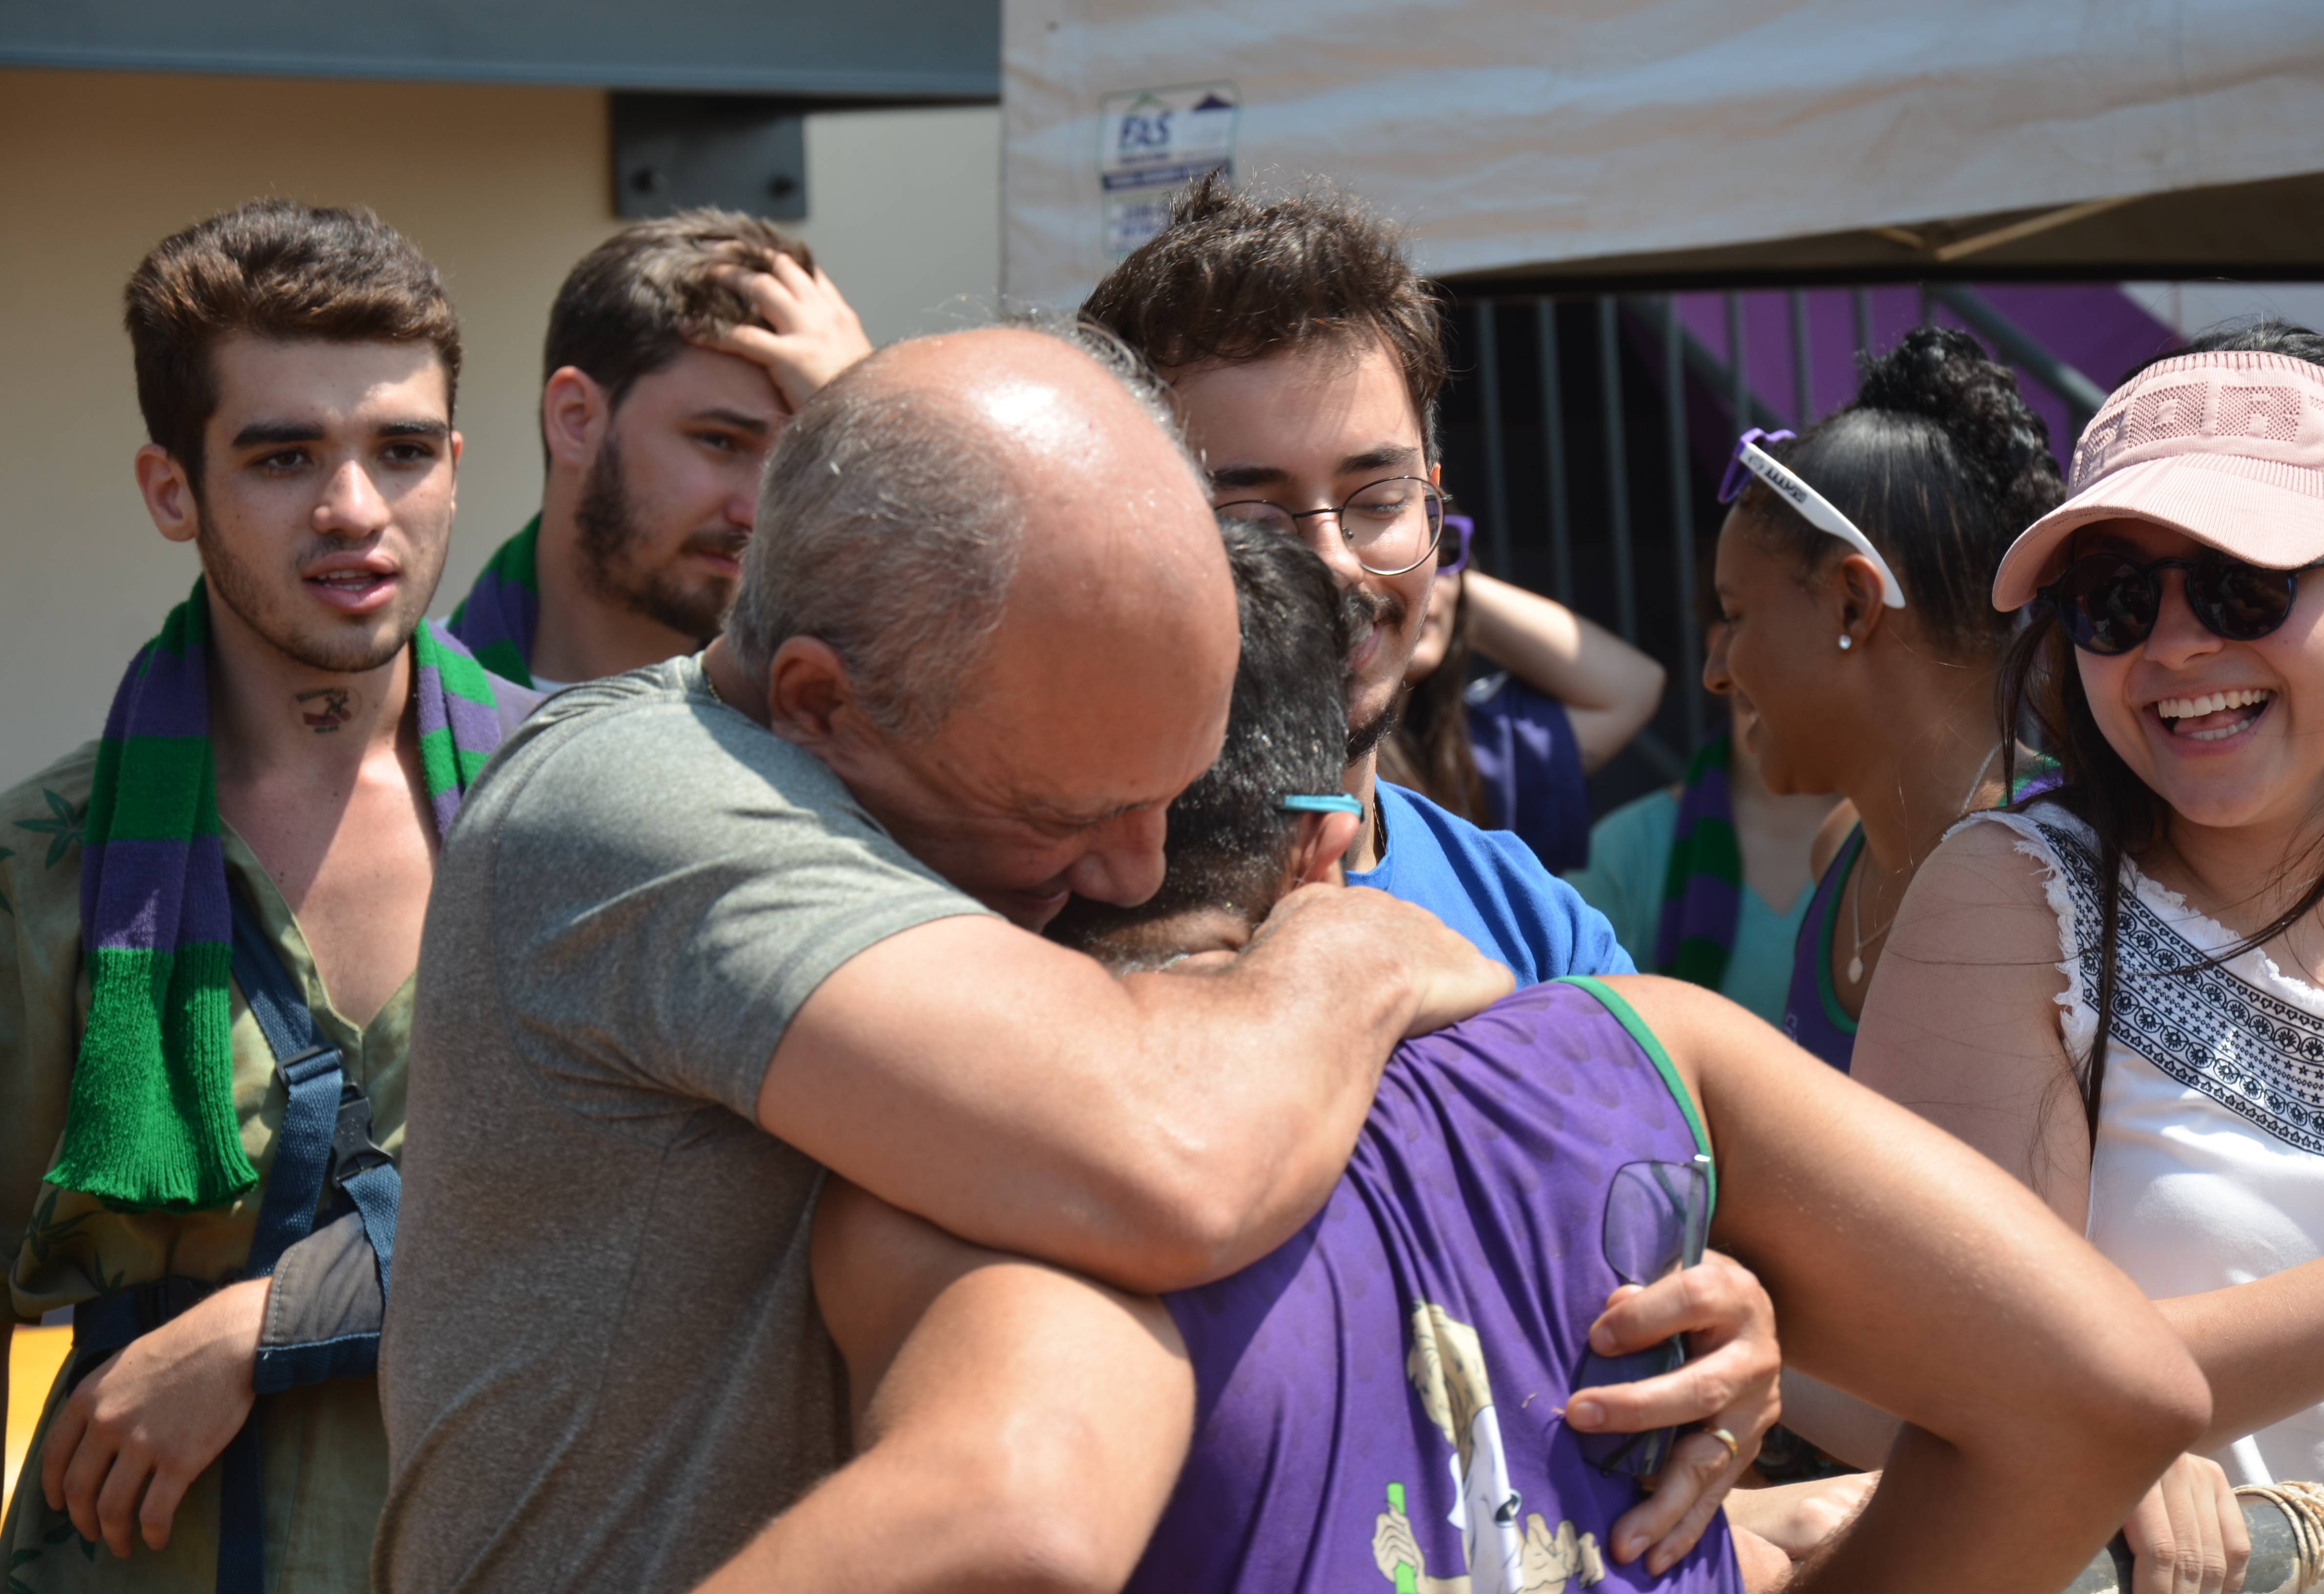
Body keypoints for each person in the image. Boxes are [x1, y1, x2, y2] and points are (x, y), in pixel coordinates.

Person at [759, 517, 2216, 1594]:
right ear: (1334, 831)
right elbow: (2109, 1388)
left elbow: (1013, 1514)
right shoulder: (1655, 1047)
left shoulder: (947, 1174)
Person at [372, 323, 1520, 1594]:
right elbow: (1177, 1156)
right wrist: (1356, 951)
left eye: (1173, 793)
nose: (1140, 873)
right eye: (1067, 814)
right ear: (817, 704)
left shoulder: (906, 800)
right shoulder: (641, 800)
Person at [0, 202, 536, 1593]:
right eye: (283, 455)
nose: (353, 508)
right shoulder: (45, 865)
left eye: (402, 452)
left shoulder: (591, 812)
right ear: (173, 490)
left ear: (459, 471)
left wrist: (270, 1322)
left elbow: (660, 1202)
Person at [1852, 325, 2324, 1593]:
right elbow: (1973, 1373)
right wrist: (2113, 1428)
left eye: (2242, 583)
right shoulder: (2017, 900)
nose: (2174, 645)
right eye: (2112, 597)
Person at [1081, 173, 1638, 988]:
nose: (1334, 563)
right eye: (1250, 517)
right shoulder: (1031, 921)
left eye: (1377, 500)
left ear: (1435, 502)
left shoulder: (1538, 930)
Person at [1701, 326, 2064, 1071]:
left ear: (1853, 606)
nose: (1715, 670)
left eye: (1736, 617)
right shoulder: (1840, 847)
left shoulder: (2060, 875)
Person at [446, 210, 872, 689]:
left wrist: (869, 433)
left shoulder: (833, 723)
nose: (757, 512)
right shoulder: (392, 723)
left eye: (799, 459)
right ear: (576, 420)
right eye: (721, 441)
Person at [1382, 514, 1666, 874]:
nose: (1427, 576)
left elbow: (1634, 687)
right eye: (1396, 558)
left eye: (1442, 550)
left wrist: (1443, 579)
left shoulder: (1476, 754)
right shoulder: (1315, 759)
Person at [1570, 672, 1841, 1027]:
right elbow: (1579, 1035)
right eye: (1733, 620)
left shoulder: (1903, 845)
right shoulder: (1622, 848)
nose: (1715, 668)